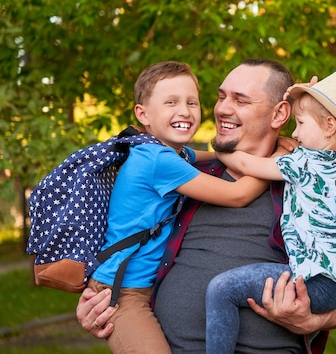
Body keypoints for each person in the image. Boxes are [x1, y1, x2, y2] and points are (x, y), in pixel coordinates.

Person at [76, 58, 336, 354]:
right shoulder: (189, 180)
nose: (221, 108)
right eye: (221, 97)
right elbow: (123, 247)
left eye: (240, 100)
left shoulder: (318, 190)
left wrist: (314, 319)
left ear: (279, 115)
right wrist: (99, 306)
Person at [89, 61, 269, 354]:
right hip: (122, 294)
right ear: (142, 114)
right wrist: (280, 161)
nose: (184, 111)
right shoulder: (159, 161)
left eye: (192, 102)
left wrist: (241, 154)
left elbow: (216, 156)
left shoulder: (170, 152)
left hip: (139, 289)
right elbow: (238, 195)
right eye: (170, 102)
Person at [206, 70, 336, 354]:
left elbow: (246, 164)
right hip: (333, 287)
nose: (296, 132)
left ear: (329, 126)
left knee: (222, 289)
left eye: (300, 123)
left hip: (313, 284)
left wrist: (218, 148)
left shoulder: (306, 164)